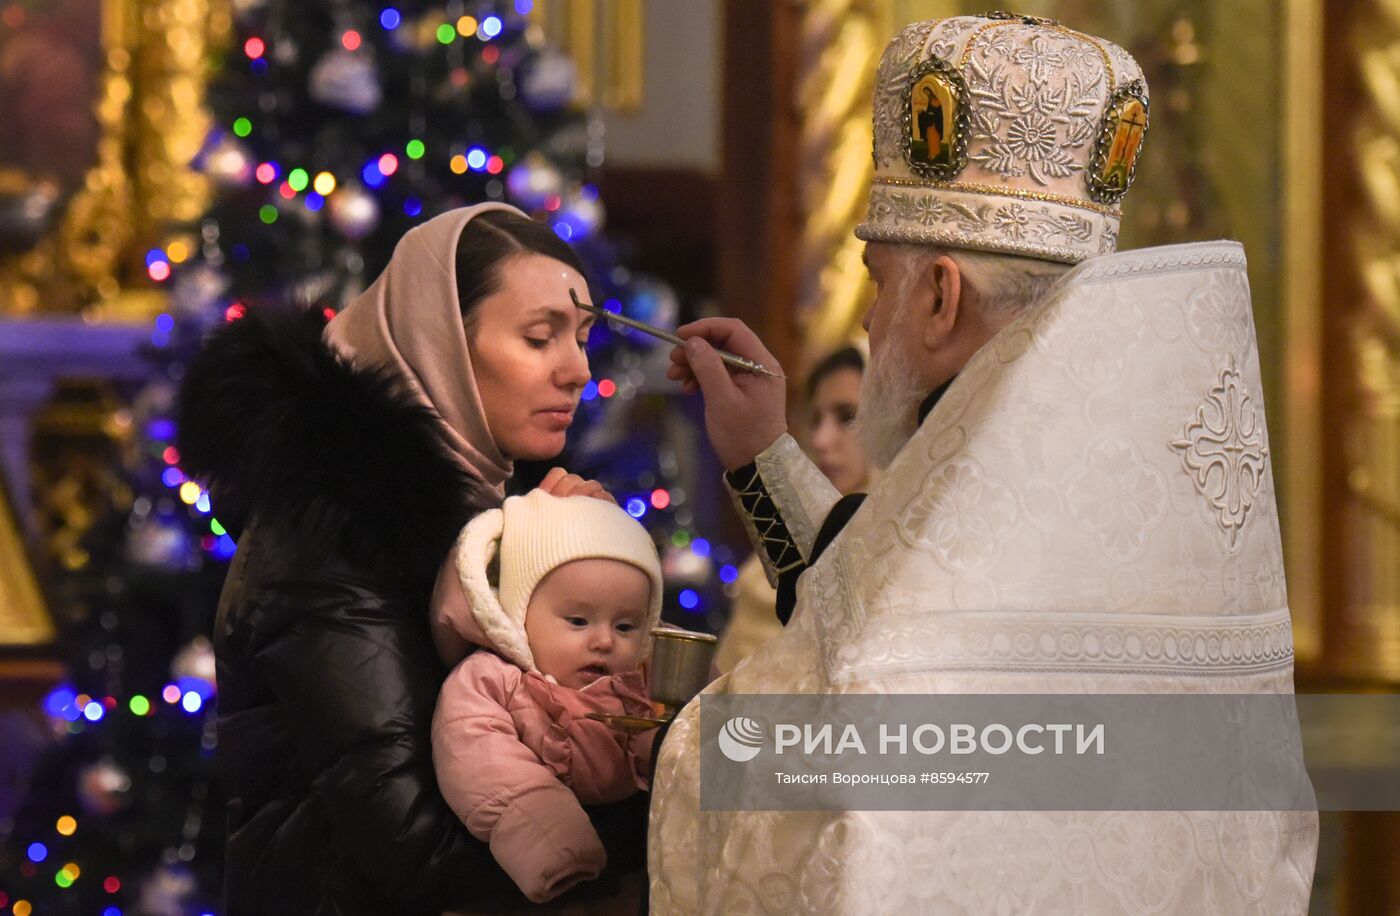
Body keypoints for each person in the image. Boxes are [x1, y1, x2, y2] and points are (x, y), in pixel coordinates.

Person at [652, 14, 1317, 914]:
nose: (866, 320)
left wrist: (663, 746)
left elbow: (836, 724)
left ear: (938, 296)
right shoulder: (1141, 493)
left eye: (879, 281)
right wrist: (765, 457)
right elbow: (875, 604)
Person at [176, 203, 647, 915]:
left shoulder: (475, 518)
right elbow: (416, 846)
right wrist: (659, 821)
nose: (577, 369)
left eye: (581, 338)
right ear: (442, 344)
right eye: (539, 337)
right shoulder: (333, 538)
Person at [429, 490, 662, 904]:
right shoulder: (493, 679)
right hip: (523, 886)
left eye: (627, 626)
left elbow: (712, 740)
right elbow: (482, 758)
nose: (604, 640)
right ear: (519, 615)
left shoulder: (644, 679)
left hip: (630, 880)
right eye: (578, 620)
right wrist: (548, 832)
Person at [712, 346, 871, 673]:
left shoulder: (898, 551)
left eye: (847, 417)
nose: (822, 439)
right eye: (815, 419)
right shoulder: (769, 565)